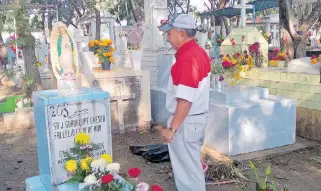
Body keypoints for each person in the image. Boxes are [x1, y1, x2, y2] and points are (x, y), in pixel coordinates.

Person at [158, 13, 211, 191]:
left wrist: (172, 129)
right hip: (193, 120)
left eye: (169, 32)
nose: (167, 37)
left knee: (189, 174)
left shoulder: (188, 58)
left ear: (181, 34)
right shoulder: (197, 52)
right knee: (191, 168)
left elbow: (185, 100)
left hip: (186, 122)